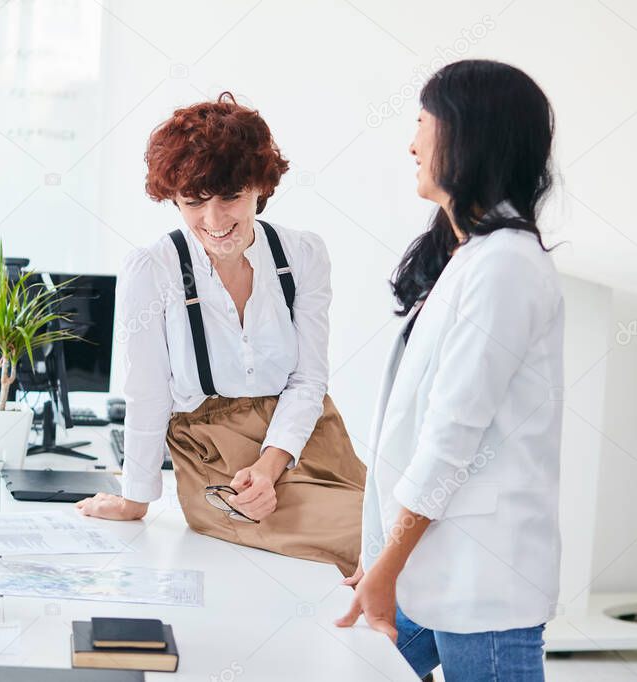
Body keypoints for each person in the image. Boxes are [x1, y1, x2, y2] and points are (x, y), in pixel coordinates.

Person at [336, 60, 563, 681]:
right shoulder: (472, 257)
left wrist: (384, 568)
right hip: (434, 567)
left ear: (468, 135)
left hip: (481, 583)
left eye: (422, 123)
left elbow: (449, 440)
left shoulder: (507, 266)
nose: (411, 142)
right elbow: (407, 429)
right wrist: (380, 559)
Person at [76, 93, 366, 577]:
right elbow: (146, 392)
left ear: (259, 187)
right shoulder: (154, 269)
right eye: (194, 202)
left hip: (311, 441)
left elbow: (309, 380)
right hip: (217, 459)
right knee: (373, 540)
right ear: (174, 198)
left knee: (411, 535)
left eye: (231, 197)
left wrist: (272, 466)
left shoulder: (303, 255)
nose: (214, 221)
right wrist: (136, 499)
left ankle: (385, 650)